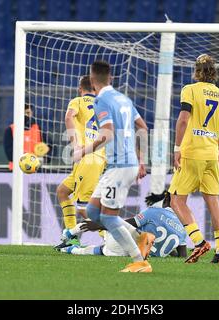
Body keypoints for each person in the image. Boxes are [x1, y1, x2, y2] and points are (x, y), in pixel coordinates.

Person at [73, 60, 152, 273]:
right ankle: (141, 237)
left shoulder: (101, 100)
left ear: (92, 80)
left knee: (107, 216)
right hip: (122, 165)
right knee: (92, 211)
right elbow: (143, 127)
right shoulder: (123, 99)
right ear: (111, 78)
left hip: (120, 166)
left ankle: (140, 261)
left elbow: (106, 133)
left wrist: (83, 151)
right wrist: (141, 159)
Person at [168, 54, 219, 264]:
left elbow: (183, 119)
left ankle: (199, 243)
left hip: (191, 153)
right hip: (212, 156)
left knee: (176, 199)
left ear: (197, 71)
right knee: (213, 202)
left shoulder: (190, 90)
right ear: (214, 72)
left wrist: (176, 148)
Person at [54, 76, 106, 249]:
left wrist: (76, 145)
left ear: (79, 88)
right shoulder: (102, 104)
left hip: (87, 158)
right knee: (62, 191)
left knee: (85, 208)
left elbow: (69, 117)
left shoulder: (77, 101)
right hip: (97, 158)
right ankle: (71, 236)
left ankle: (111, 236)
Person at [60, 191, 187, 258]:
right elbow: (182, 256)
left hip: (125, 246)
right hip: (132, 253)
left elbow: (125, 225)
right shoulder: (184, 226)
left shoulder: (154, 212)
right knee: (105, 249)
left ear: (165, 200)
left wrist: (99, 225)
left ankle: (69, 233)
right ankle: (72, 249)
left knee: (106, 218)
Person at [3, 103, 42, 171]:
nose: (26, 116)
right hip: (16, 170)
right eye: (24, 113)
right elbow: (9, 153)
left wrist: (45, 153)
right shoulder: (10, 130)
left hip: (35, 170)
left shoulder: (38, 129)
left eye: (28, 113)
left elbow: (48, 147)